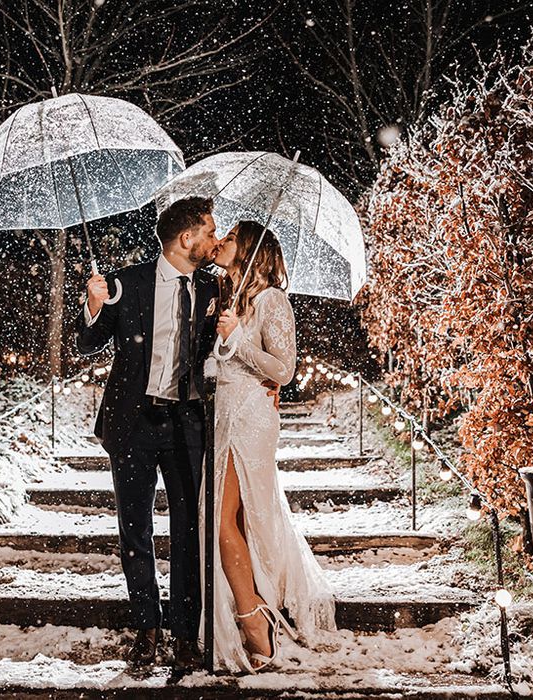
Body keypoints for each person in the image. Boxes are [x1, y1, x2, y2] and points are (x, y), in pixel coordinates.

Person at [75, 197, 222, 672]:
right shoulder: (126, 282)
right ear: (187, 239)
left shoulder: (213, 288)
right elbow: (86, 344)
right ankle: (147, 627)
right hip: (132, 426)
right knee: (134, 531)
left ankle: (183, 631)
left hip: (187, 427)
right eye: (209, 231)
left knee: (188, 533)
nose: (214, 239)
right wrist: (95, 308)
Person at [202, 220, 336, 674]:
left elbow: (283, 370)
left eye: (230, 239)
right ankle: (255, 604)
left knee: (221, 520)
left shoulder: (271, 300)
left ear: (251, 252)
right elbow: (225, 362)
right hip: (224, 417)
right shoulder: (229, 299)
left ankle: (253, 614)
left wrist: (238, 339)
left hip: (250, 419)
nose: (220, 243)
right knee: (236, 519)